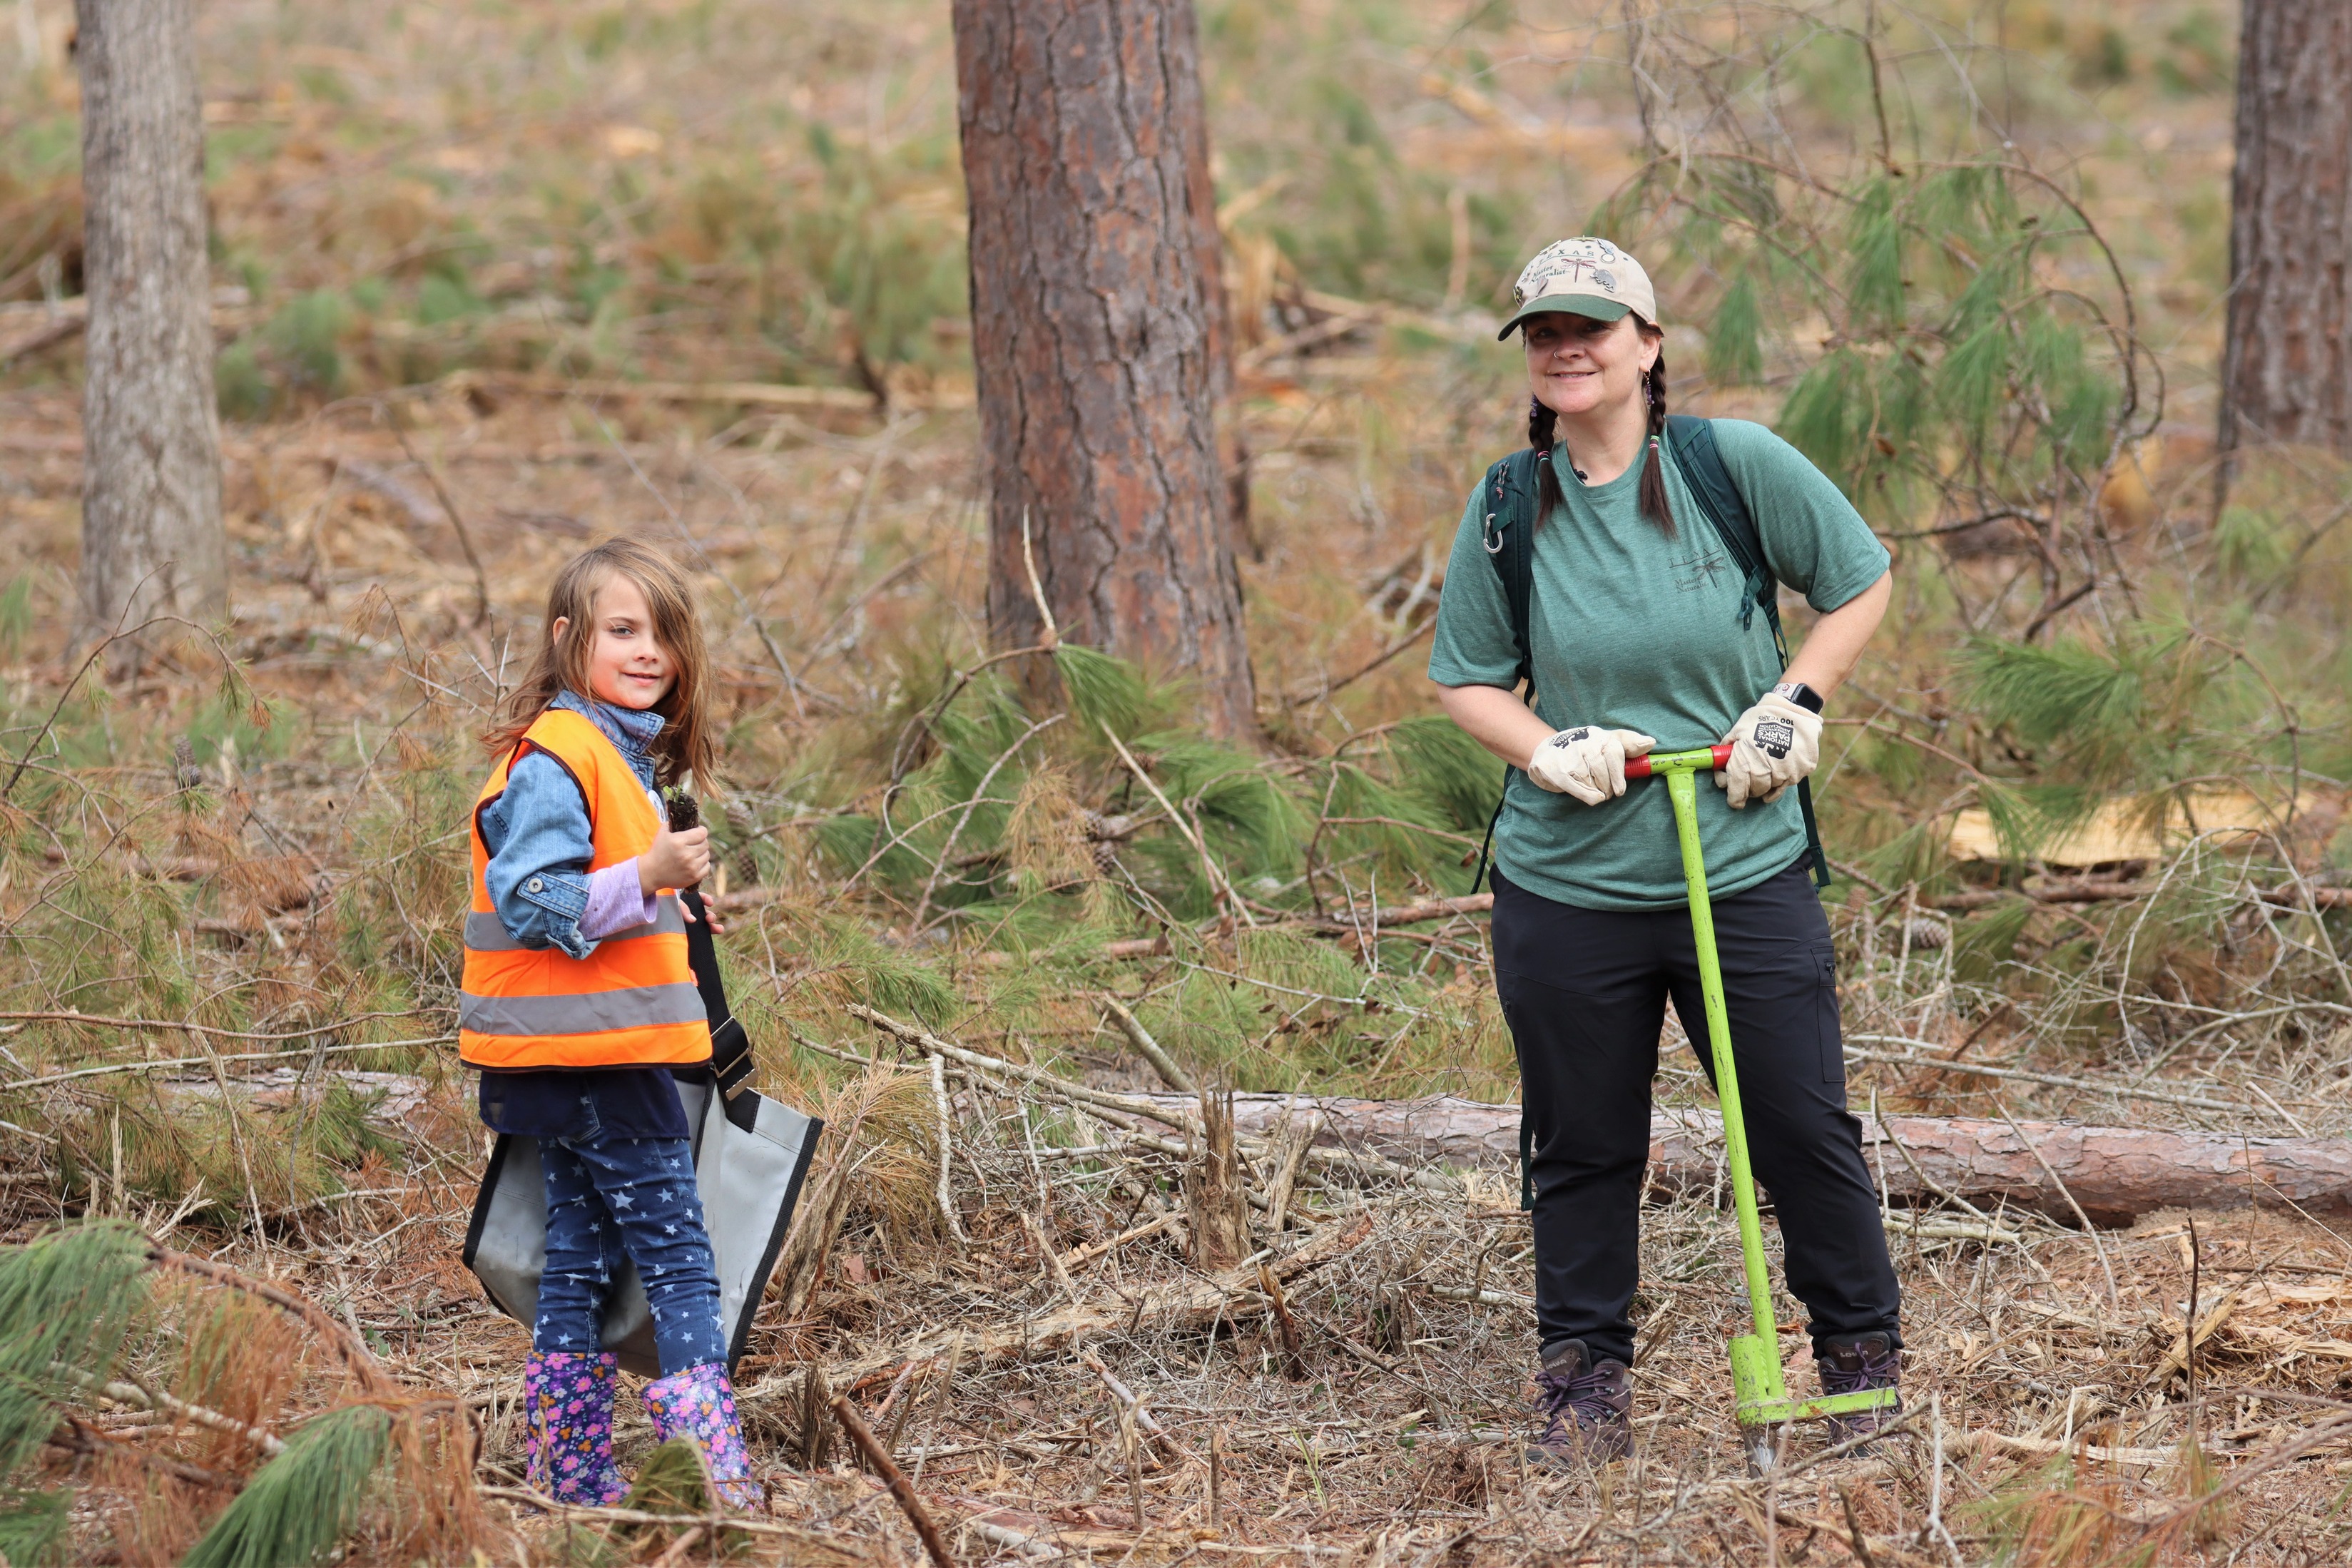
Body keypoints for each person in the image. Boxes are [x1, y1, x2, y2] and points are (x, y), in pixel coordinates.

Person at [1427, 238, 1901, 1465]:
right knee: (1581, 1139)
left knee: (1797, 1124)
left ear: (1646, 343)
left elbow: (1858, 582)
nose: (1566, 349)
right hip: (1567, 886)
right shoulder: (1503, 507)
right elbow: (1466, 680)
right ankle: (1583, 1387)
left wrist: (1791, 703)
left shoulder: (1729, 466)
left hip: (1738, 862)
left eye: (1591, 327)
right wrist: (1543, 747)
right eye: (1543, 334)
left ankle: (1857, 1366)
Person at [460, 538, 755, 1505]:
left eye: (663, 633)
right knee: (677, 1256)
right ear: (565, 638)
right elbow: (539, 900)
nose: (648, 651)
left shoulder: (615, 756)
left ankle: (572, 1468)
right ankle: (707, 1480)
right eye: (622, 629)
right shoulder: (562, 753)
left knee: (578, 1255)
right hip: (603, 1060)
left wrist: (668, 904)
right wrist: (648, 878)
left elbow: (601, 900)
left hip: (565, 1055)